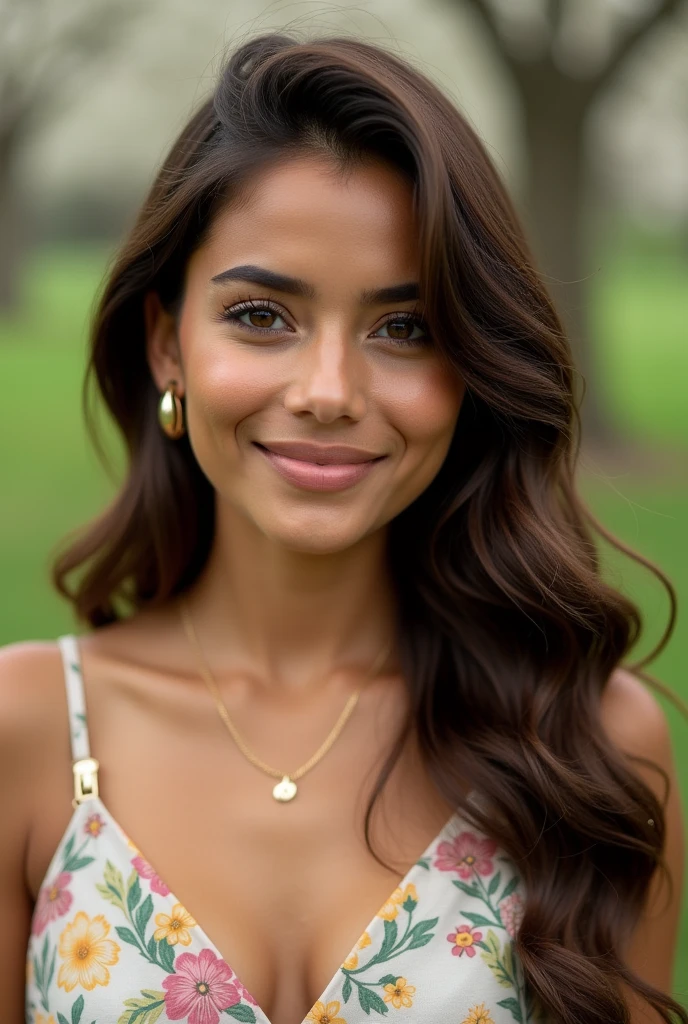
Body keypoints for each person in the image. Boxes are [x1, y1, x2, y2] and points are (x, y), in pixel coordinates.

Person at [0, 32, 684, 1024]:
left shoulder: (589, 747)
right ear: (167, 344)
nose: (328, 392)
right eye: (261, 317)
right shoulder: (27, 730)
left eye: (404, 328)